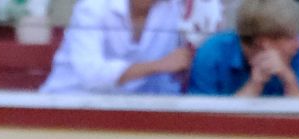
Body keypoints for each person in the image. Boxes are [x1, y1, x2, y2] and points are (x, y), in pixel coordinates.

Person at [40, 0, 190, 94]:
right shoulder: (92, 6)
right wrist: (158, 65)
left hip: (133, 113)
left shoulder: (175, 7)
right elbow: (90, 74)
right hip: (68, 105)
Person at [186, 0, 299, 98]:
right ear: (264, 42)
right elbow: (202, 122)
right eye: (290, 38)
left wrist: (289, 79)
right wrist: (255, 84)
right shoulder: (211, 53)